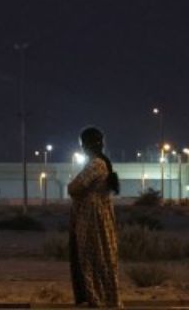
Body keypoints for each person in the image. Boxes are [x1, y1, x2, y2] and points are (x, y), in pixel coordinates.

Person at [68, 126, 122, 307]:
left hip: (92, 221)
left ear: (86, 145)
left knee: (94, 261)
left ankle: (99, 300)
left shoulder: (96, 165)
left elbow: (74, 187)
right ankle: (102, 299)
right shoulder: (101, 163)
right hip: (96, 219)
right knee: (100, 260)